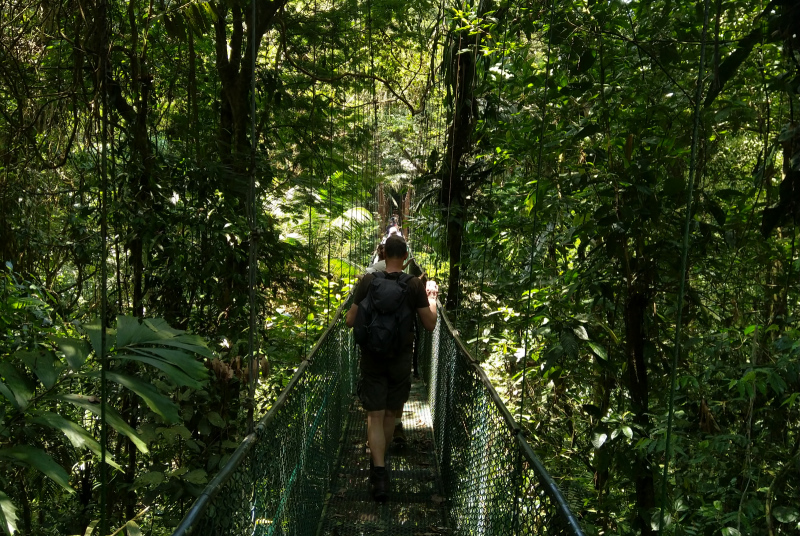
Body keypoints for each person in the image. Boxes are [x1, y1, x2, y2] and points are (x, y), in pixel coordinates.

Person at [345, 235, 438, 502]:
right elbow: (430, 324)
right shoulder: (413, 285)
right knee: (388, 415)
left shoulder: (367, 281)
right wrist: (431, 297)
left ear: (383, 255)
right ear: (407, 258)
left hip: (372, 357)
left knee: (373, 416)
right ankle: (382, 469)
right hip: (399, 359)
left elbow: (351, 321)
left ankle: (379, 471)